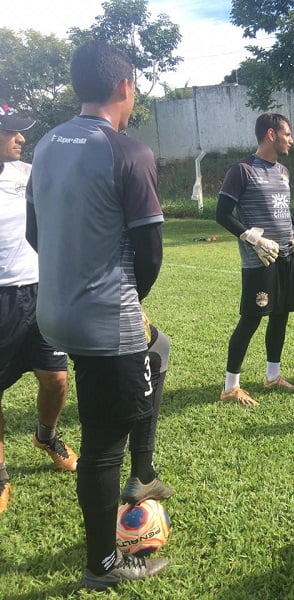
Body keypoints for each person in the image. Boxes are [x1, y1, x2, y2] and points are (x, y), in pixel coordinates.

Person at [26, 41, 171, 589]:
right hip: (105, 319)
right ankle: (103, 566)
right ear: (124, 88)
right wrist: (128, 301)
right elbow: (150, 253)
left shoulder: (45, 143)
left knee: (159, 350)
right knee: (101, 444)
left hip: (54, 313)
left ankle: (144, 473)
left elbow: (33, 233)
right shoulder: (129, 151)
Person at [0, 101, 78, 514]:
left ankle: (45, 436)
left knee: (56, 379)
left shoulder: (25, 174)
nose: (21, 138)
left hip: (39, 293)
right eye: (11, 131)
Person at [216, 112, 294, 406]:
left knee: (280, 315)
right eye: (288, 134)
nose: (291, 140)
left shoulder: (283, 171)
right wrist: (252, 237)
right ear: (271, 134)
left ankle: (272, 376)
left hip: (284, 257)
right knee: (251, 319)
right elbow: (222, 214)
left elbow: (286, 212)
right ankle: (231, 387)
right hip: (261, 260)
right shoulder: (242, 170)